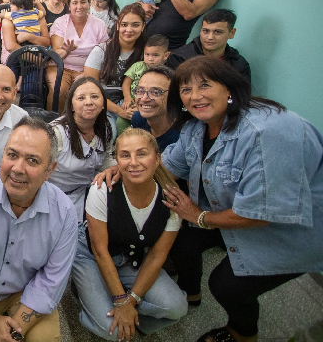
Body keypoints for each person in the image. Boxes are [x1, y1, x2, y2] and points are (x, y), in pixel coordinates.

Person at [98, 56, 323, 342]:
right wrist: (130, 165)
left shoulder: (268, 132)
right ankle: (190, 294)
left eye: (204, 86)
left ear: (229, 87)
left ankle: (241, 333)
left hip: (291, 228)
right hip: (229, 212)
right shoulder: (196, 128)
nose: (195, 96)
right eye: (186, 90)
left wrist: (200, 216)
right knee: (182, 238)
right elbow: (168, 164)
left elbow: (261, 213)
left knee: (228, 285)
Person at [0, 117, 79, 342]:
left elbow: (52, 279)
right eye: (12, 155)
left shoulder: (65, 213)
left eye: (32, 160)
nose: (18, 169)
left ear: (50, 170)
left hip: (26, 291)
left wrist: (13, 330)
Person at [73, 128, 187, 341]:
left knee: (177, 308)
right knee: (114, 332)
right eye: (125, 155)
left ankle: (126, 317)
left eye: (142, 154)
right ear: (116, 160)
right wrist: (119, 300)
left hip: (131, 257)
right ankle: (92, 301)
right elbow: (100, 251)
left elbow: (156, 256)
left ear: (157, 158)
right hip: (91, 255)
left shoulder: (170, 199)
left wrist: (130, 302)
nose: (133, 162)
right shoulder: (102, 190)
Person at [50, 77, 114, 219]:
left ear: (103, 103)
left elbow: (107, 159)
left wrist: (116, 168)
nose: (89, 102)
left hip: (89, 195)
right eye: (81, 98)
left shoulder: (105, 129)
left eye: (95, 97)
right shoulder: (56, 134)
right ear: (71, 105)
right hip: (56, 199)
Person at [83, 3, 147, 127]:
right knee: (108, 132)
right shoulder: (100, 51)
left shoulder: (147, 54)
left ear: (143, 26)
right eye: (124, 24)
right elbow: (90, 89)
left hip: (134, 105)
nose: (129, 30)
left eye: (135, 25)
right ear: (117, 25)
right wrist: (120, 111)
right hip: (104, 104)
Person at [48, 0, 109, 113]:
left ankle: (76, 125)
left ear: (89, 4)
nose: (79, 6)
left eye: (83, 2)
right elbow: (55, 54)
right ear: (69, 6)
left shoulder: (99, 24)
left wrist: (87, 73)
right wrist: (67, 51)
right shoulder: (60, 23)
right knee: (59, 90)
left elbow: (105, 53)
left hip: (87, 68)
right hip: (60, 66)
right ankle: (53, 121)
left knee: (84, 92)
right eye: (74, 3)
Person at [167, 8, 251, 83]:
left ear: (232, 33)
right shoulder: (180, 58)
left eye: (217, 32)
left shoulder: (239, 64)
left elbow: (242, 97)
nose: (210, 37)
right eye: (206, 31)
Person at [116, 34, 171, 135]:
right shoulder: (137, 66)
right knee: (120, 122)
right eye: (147, 54)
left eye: (155, 55)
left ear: (166, 55)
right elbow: (126, 83)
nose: (150, 59)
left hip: (150, 104)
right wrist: (127, 98)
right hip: (131, 101)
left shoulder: (166, 74)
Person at [130, 65, 180, 151]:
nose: (144, 98)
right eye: (140, 91)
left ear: (173, 96)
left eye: (155, 92)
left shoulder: (184, 132)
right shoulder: (138, 119)